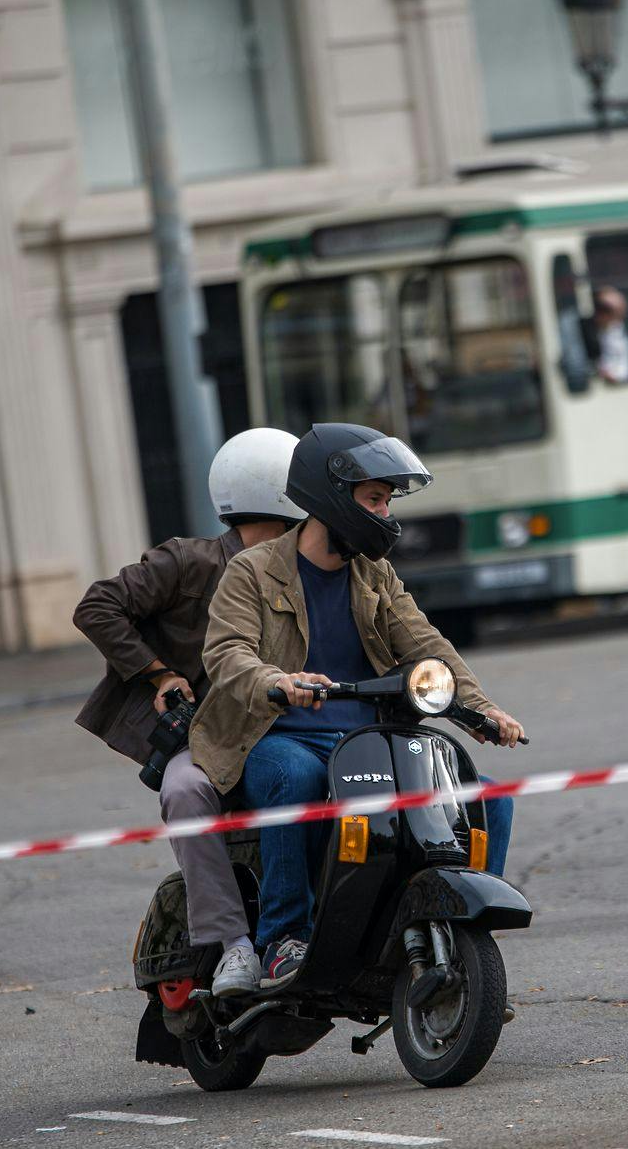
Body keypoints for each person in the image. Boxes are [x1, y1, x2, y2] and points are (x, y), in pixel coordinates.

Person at [196, 424, 525, 990]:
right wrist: (277, 681)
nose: (384, 512)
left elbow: (428, 647)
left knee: (484, 798)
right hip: (278, 734)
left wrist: (482, 708)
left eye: (387, 500)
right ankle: (283, 938)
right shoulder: (251, 571)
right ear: (332, 496)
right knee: (294, 779)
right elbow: (225, 654)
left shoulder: (375, 575)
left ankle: (460, 931)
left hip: (370, 739)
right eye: (374, 498)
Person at [72, 428, 306, 998]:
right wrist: (158, 672)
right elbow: (97, 605)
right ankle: (234, 946)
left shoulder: (309, 566)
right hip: (204, 739)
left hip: (292, 731)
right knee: (183, 791)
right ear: (283, 495)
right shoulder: (188, 562)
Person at [592, 286, 628, 384]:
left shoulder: (619, 338)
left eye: (605, 310)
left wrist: (612, 376)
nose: (599, 314)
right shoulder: (593, 331)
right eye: (598, 308)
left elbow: (626, 370)